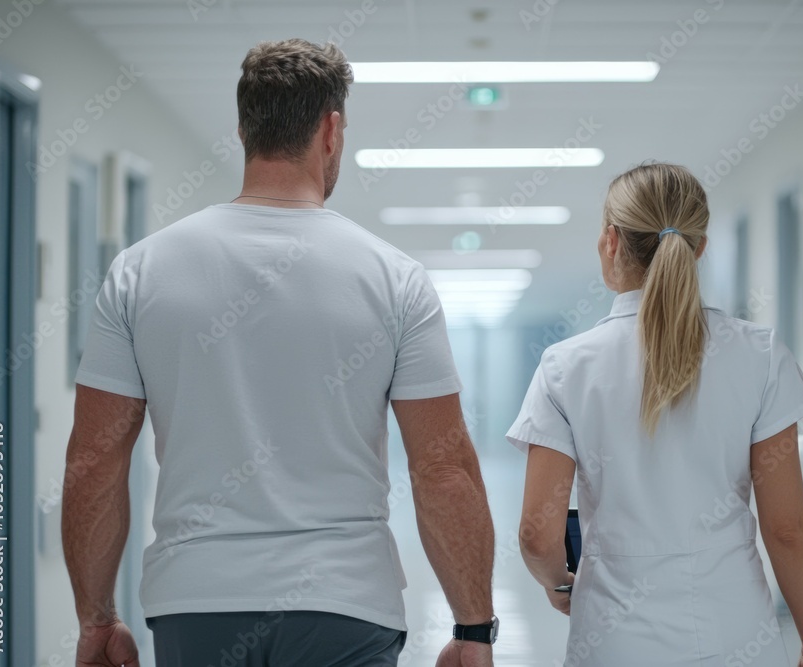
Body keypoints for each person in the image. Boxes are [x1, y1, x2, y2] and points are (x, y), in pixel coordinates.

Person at [62, 38, 496, 667]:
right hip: (347, 608)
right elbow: (443, 469)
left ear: (243, 129)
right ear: (332, 129)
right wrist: (473, 630)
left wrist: (96, 619)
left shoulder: (139, 273)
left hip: (196, 602)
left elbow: (93, 462)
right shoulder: (394, 279)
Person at [507, 163, 803, 666]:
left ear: (611, 242)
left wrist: (557, 582)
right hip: (736, 635)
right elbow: (786, 528)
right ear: (699, 246)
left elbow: (535, 532)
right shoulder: (760, 354)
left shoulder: (564, 367)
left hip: (614, 640)